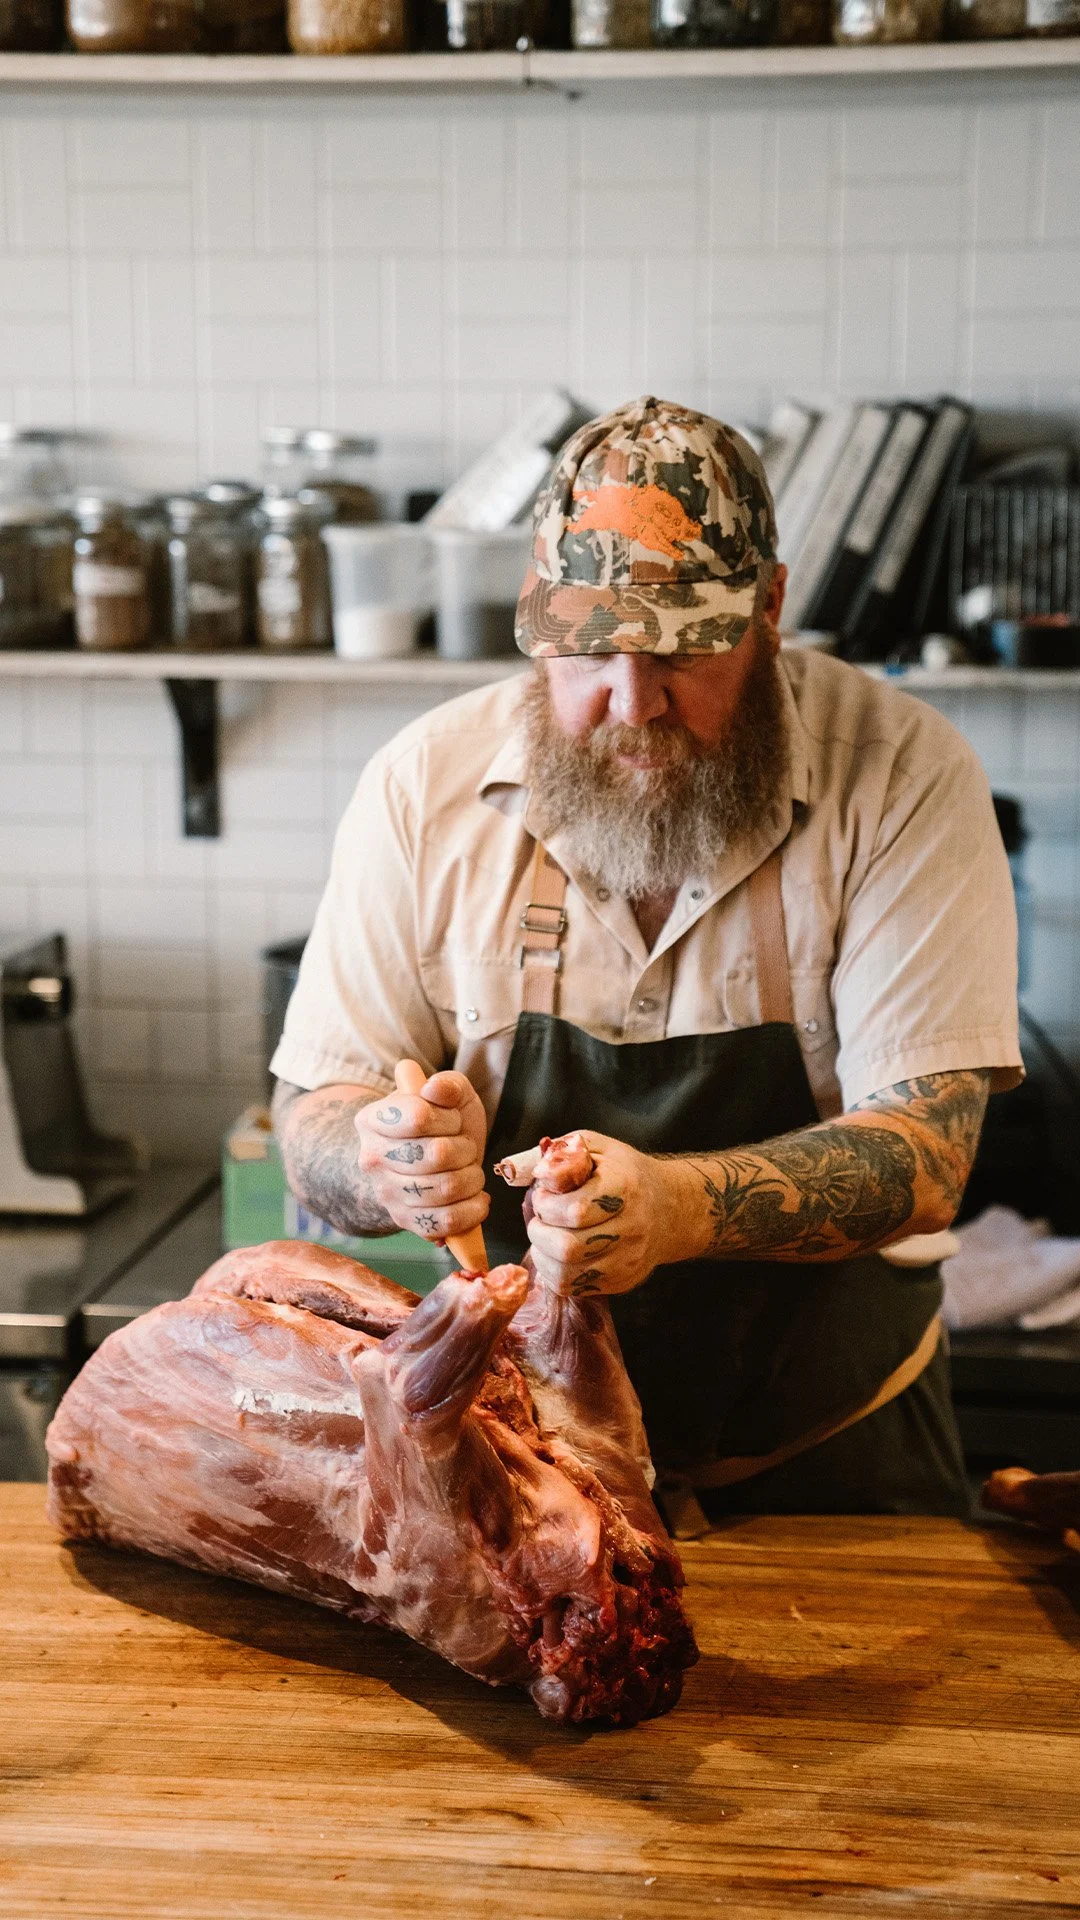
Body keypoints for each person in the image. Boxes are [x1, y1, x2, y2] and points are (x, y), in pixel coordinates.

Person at [271, 396, 1023, 1527]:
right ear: (535, 618)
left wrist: (676, 1208)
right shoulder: (423, 788)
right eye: (588, 651)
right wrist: (383, 1160)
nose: (633, 703)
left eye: (681, 649)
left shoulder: (901, 776)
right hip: (524, 1472)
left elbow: (927, 1156)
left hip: (836, 1461)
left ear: (770, 609)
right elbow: (311, 1121)